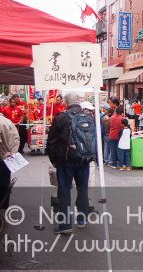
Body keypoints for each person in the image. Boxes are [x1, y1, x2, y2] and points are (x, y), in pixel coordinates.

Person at [46, 92, 90, 234]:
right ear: (79, 102)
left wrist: (54, 160)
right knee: (83, 188)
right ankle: (82, 218)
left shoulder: (61, 117)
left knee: (64, 190)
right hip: (84, 159)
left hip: (65, 160)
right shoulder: (88, 117)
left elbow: (51, 141)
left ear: (66, 102)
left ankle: (65, 225)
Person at [0, 112, 20, 213]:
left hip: (2, 157)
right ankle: (4, 206)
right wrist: (12, 152)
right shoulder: (8, 122)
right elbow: (17, 139)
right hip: (8, 157)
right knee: (5, 182)